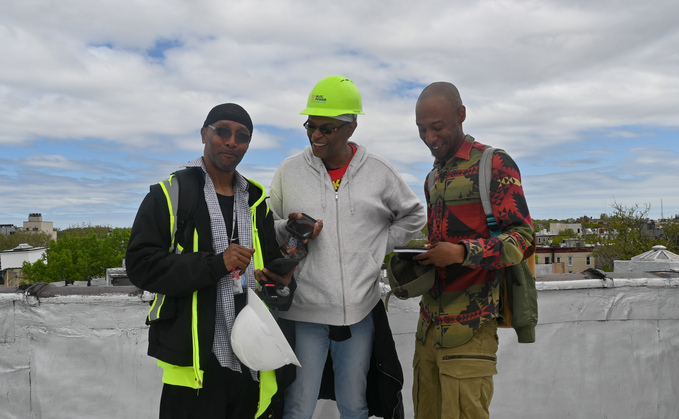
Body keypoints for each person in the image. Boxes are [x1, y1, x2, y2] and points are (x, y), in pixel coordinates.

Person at [269, 75, 426, 419]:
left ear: (351, 127)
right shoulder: (289, 171)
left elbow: (414, 215)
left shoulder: (379, 171)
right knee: (298, 405)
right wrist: (289, 227)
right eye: (310, 126)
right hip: (305, 312)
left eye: (327, 129)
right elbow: (266, 225)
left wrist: (378, 246)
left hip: (360, 313)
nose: (316, 136)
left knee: (355, 404)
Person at [126, 103, 296, 418]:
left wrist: (281, 281)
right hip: (196, 364)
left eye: (242, 136)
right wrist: (216, 264)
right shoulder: (170, 194)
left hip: (251, 357)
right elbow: (140, 265)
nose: (232, 141)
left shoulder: (255, 201)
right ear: (205, 134)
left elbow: (271, 269)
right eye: (223, 131)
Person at [411, 82, 534, 419]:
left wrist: (462, 253)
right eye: (422, 129)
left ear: (461, 115)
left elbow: (522, 238)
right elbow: (443, 244)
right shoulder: (432, 178)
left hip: (470, 327)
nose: (430, 138)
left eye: (437, 127)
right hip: (428, 329)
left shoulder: (493, 163)